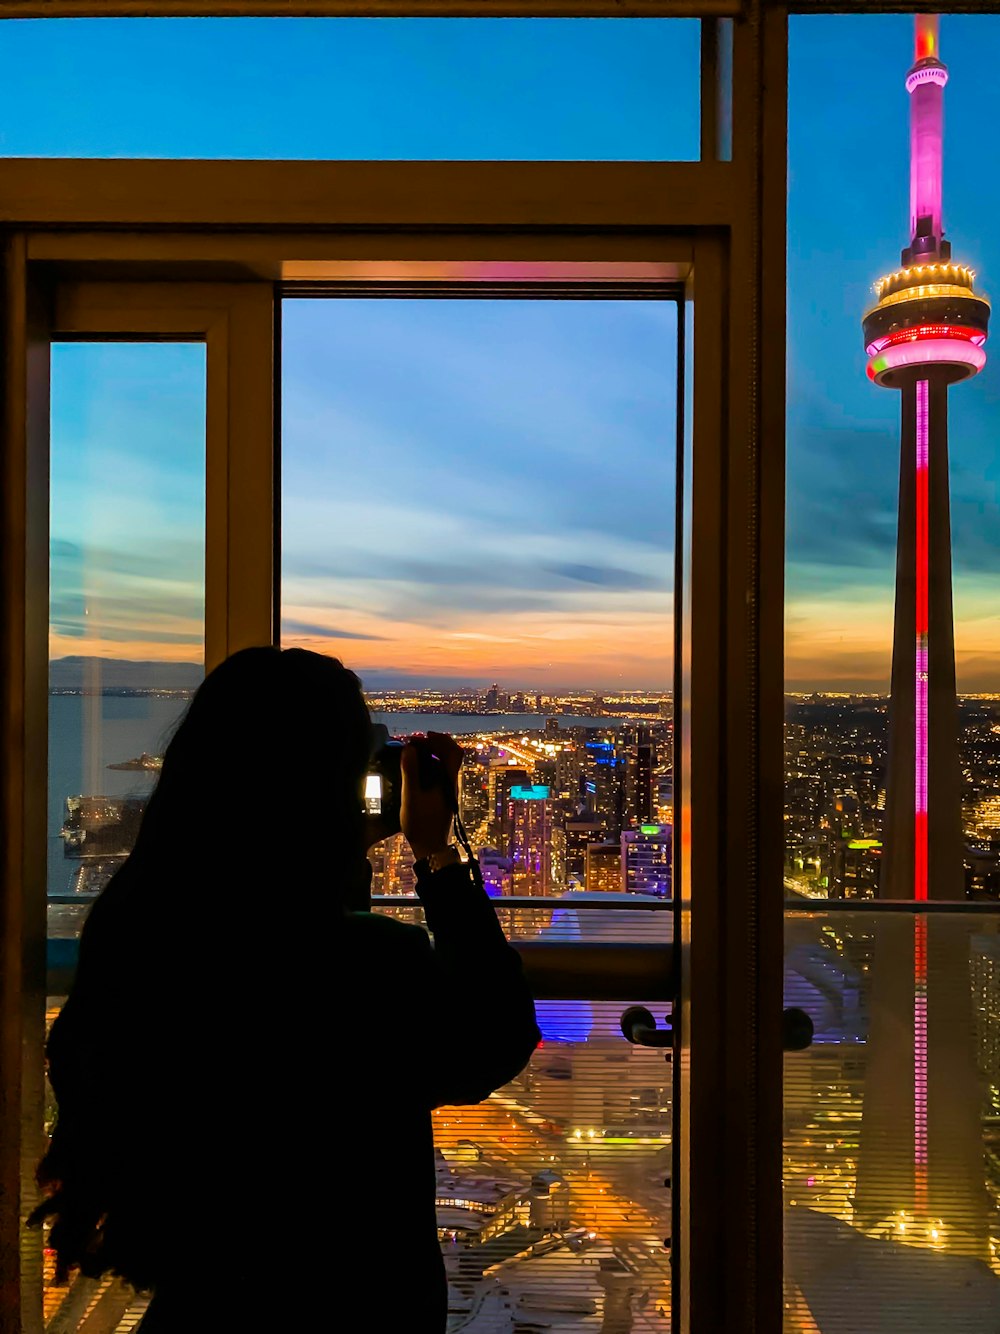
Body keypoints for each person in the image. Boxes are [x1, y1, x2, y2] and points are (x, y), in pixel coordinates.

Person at [30, 646, 540, 1331]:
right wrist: (438, 856)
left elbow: (285, 938)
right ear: (325, 785)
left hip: (203, 1305)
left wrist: (343, 854)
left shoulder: (138, 934)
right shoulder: (370, 964)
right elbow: (493, 1040)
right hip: (357, 1303)